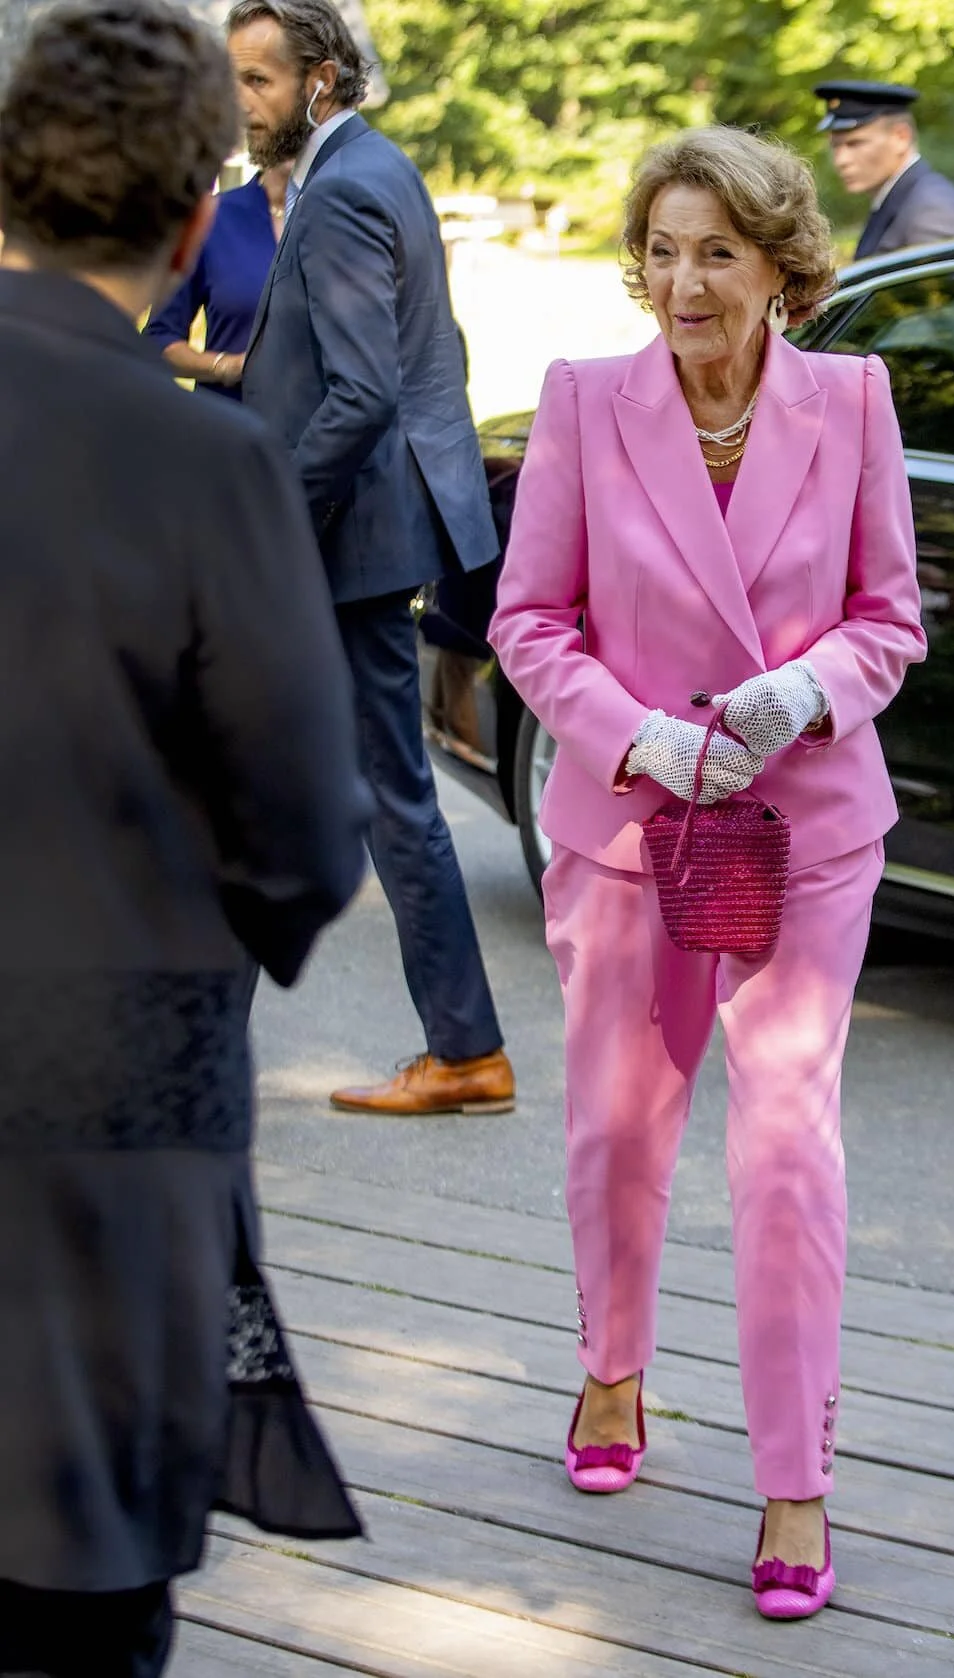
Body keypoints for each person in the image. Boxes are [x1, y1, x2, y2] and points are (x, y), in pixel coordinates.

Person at [488, 126, 927, 1620]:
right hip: (629, 825)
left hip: (805, 826)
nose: (682, 281)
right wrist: (641, 743)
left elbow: (890, 618)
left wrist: (803, 694)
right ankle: (611, 1374)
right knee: (619, 1126)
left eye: (715, 253)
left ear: (778, 267)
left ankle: (794, 1473)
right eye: (663, 249)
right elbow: (530, 619)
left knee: (787, 1147)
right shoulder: (582, 402)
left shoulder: (855, 399)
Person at [0, 3, 375, 1672]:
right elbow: (305, 839)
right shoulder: (204, 463)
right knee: (84, 1607)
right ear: (183, 226)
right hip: (111, 1116)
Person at [231, 0, 515, 1119]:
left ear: (323, 80)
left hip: (341, 540)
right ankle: (463, 1043)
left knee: (377, 791)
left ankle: (465, 1047)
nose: (240, 104)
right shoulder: (373, 167)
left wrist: (272, 529)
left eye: (258, 81)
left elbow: (361, 393)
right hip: (367, 532)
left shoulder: (344, 185)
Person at [143, 162, 290, 397]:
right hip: (234, 419)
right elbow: (158, 339)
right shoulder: (217, 215)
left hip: (325, 426)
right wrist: (226, 366)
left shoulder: (344, 216)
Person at [815, 80, 954, 258]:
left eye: (855, 144)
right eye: (835, 146)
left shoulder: (932, 209)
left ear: (901, 137)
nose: (841, 160)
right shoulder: (899, 199)